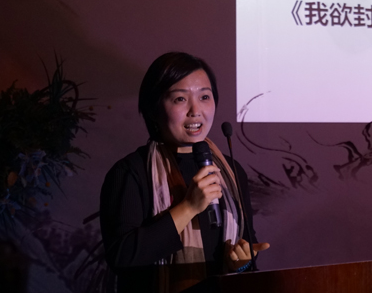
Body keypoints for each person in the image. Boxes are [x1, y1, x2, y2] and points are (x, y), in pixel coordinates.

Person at [100, 52, 269, 293]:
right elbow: (122, 257)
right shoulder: (130, 172)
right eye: (180, 99)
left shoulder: (231, 171)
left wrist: (240, 264)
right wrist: (189, 207)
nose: (195, 110)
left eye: (204, 97)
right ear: (154, 108)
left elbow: (248, 254)